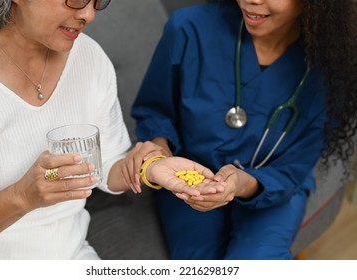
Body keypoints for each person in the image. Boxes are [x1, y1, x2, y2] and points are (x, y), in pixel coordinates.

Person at [0, 0, 211, 259]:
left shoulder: (88, 56)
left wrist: (148, 167)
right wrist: (23, 196)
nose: (89, 15)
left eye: (97, 2)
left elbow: (105, 166)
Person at [128, 0, 357, 259]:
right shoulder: (189, 28)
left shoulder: (334, 65)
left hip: (275, 184)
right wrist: (162, 157)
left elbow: (294, 168)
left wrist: (241, 183)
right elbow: (155, 111)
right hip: (191, 177)